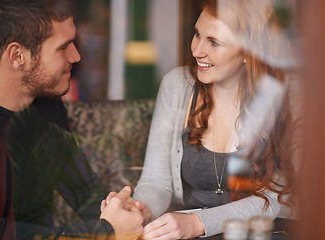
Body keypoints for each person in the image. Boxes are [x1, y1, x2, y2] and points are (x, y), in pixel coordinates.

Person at [102, 0, 299, 239]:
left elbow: (279, 197)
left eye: (214, 42)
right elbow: (157, 182)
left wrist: (198, 223)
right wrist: (143, 209)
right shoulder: (176, 85)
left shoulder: (284, 94)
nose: (196, 50)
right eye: (197, 34)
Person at [0, 0, 143, 239]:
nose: (76, 56)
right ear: (17, 56)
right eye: (63, 47)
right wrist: (106, 230)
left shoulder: (45, 105)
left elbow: (83, 192)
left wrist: (120, 209)